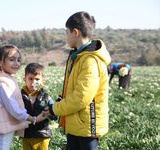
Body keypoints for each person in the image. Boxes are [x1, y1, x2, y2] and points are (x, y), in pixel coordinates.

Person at [48, 11, 111, 150]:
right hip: (76, 123)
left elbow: (81, 97)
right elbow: (73, 88)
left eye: (67, 32)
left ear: (75, 32)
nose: (66, 37)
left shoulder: (89, 60)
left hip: (87, 126)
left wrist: (55, 108)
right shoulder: (78, 56)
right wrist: (60, 100)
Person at [21, 63, 57, 150]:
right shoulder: (20, 96)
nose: (33, 82)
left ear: (42, 80)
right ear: (24, 79)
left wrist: (50, 113)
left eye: (37, 79)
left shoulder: (46, 96)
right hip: (26, 135)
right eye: (30, 79)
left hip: (42, 135)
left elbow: (55, 114)